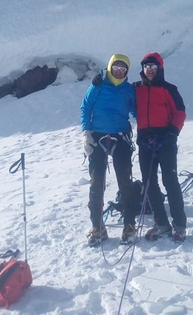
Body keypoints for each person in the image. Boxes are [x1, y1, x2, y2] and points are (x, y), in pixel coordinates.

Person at [81, 53, 137, 246]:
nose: (119, 71)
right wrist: (86, 133)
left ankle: (129, 225)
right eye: (116, 67)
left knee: (125, 182)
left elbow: (136, 111)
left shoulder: (129, 90)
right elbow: (86, 108)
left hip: (120, 136)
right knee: (96, 183)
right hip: (97, 136)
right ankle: (97, 227)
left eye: (123, 68)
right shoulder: (98, 84)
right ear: (110, 67)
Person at [135, 52, 187, 242]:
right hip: (144, 141)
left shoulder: (169, 89)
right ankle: (161, 223)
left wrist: (172, 133)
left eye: (153, 67)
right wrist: (101, 80)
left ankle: (179, 225)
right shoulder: (136, 88)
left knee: (170, 181)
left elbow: (180, 112)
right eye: (146, 67)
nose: (149, 70)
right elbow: (118, 93)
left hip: (166, 140)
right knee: (149, 183)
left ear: (160, 68)